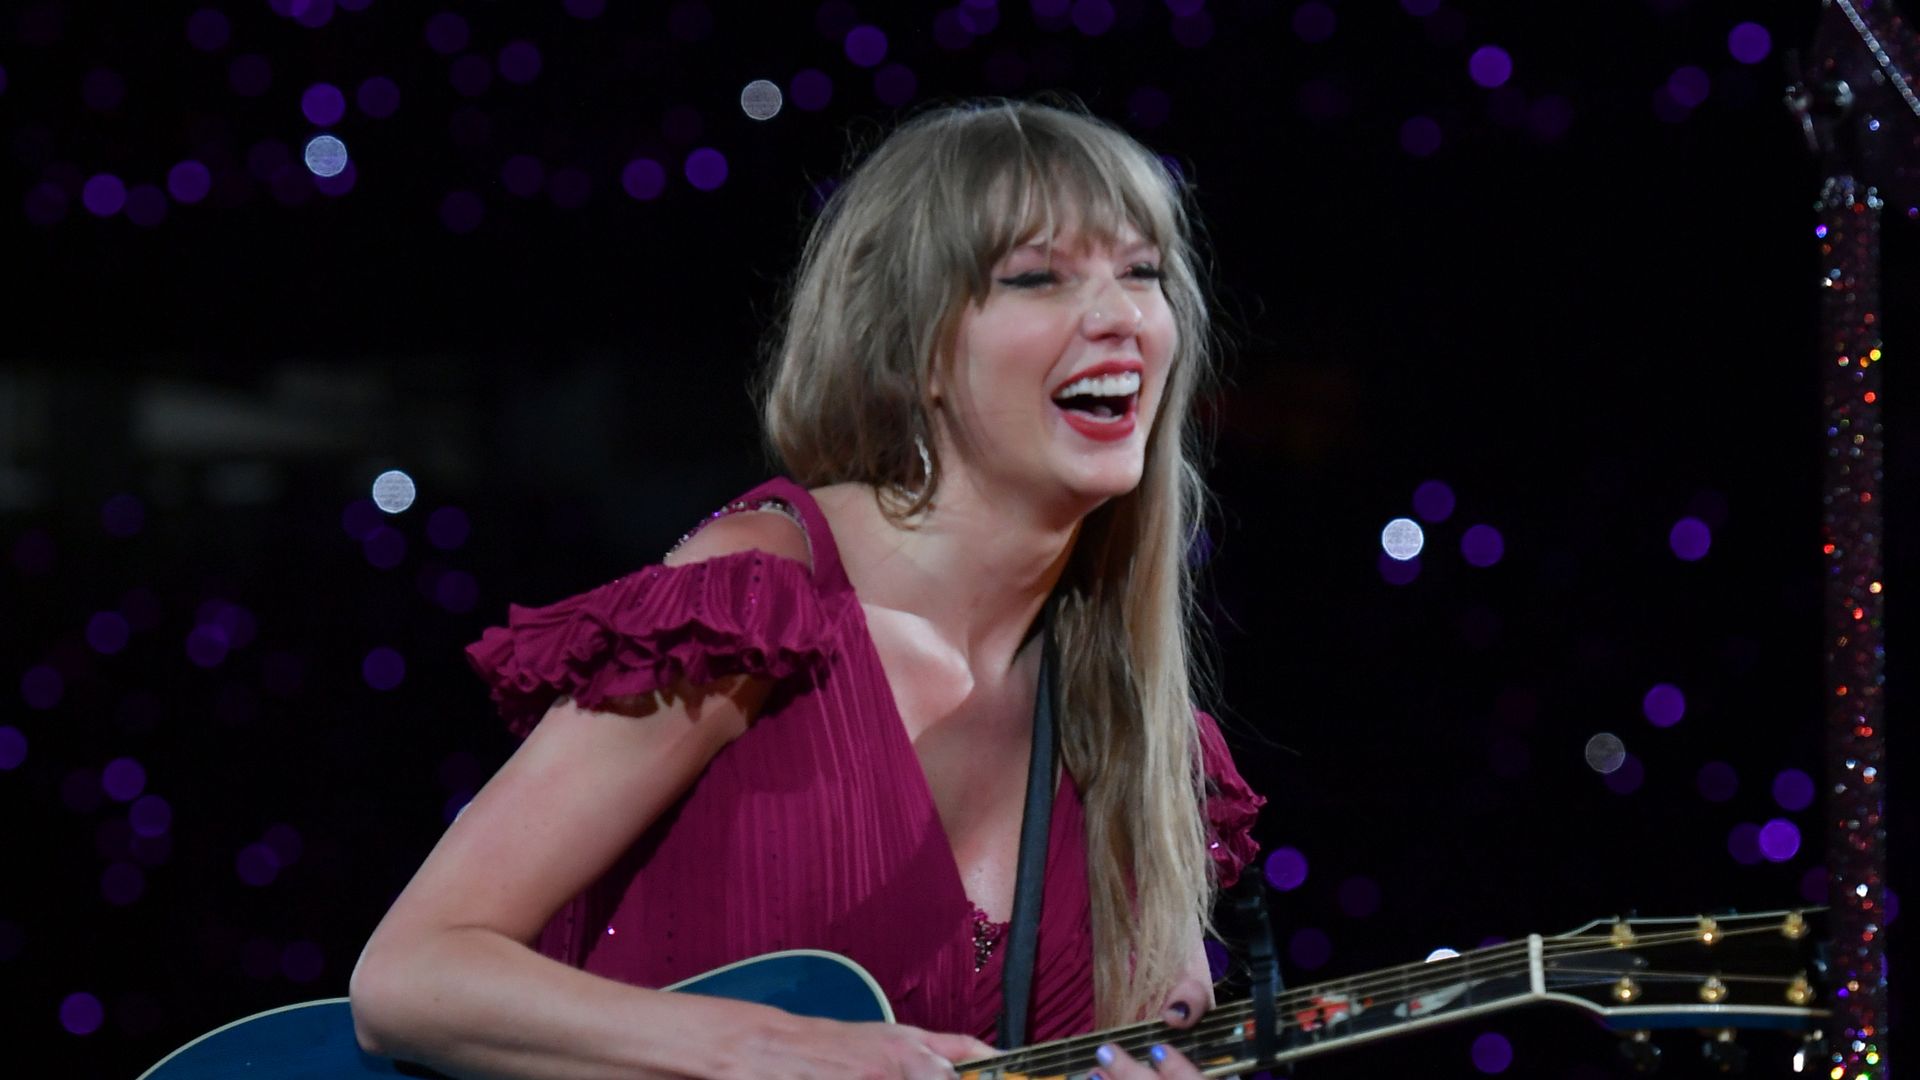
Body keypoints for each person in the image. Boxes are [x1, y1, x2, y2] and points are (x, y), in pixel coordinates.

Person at [348, 97, 1265, 1079]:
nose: (1119, 317)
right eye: (1037, 277)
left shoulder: (1147, 758)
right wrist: (768, 1050)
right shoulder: (754, 609)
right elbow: (412, 976)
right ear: (914, 350)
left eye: (1142, 274)